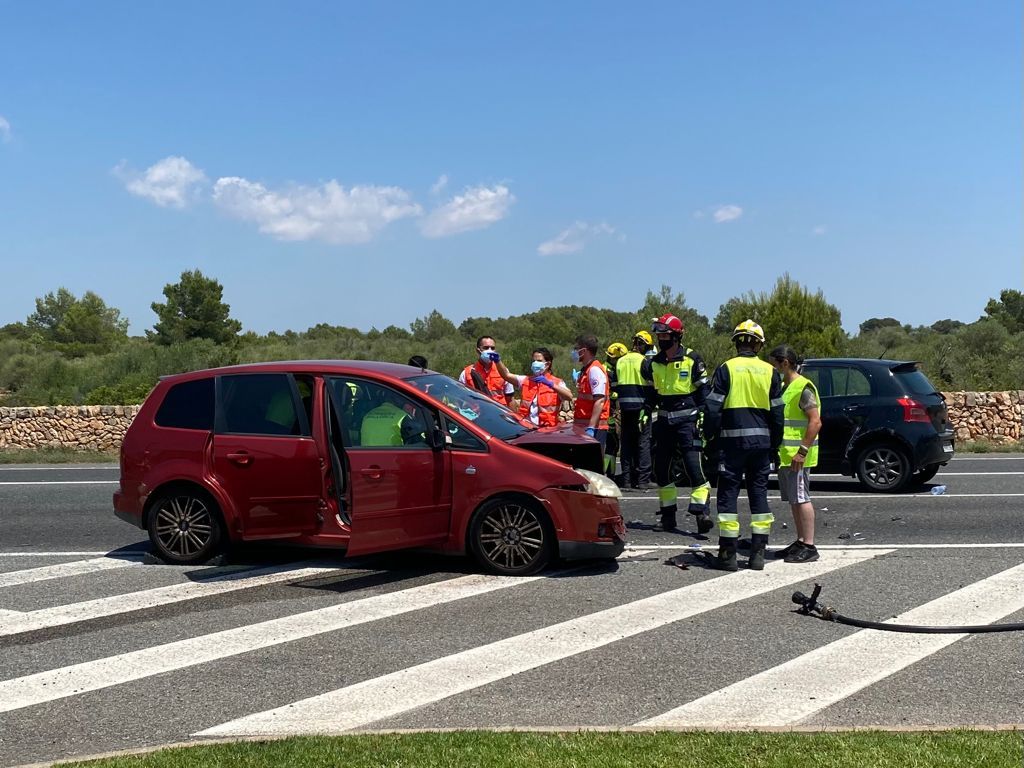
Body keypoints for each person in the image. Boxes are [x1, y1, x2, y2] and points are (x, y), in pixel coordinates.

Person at [703, 320, 784, 571]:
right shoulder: (770, 372)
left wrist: (710, 437)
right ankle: (758, 554)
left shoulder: (727, 368)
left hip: (731, 443)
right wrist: (775, 445)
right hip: (761, 444)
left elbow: (713, 408)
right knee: (759, 494)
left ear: (737, 342)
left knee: (728, 495)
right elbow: (778, 413)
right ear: (759, 344)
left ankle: (728, 554)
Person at [641, 313, 713, 533]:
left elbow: (704, 392)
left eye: (665, 334)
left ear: (676, 336)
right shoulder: (652, 363)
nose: (661, 338)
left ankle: (702, 514)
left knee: (694, 468)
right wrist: (645, 411)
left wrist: (703, 414)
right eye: (659, 335)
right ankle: (668, 518)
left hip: (688, 420)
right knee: (661, 470)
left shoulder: (693, 359)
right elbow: (650, 394)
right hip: (664, 421)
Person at [769, 344, 822, 563]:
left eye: (774, 363)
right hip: (786, 455)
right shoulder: (784, 386)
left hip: (798, 456)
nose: (772, 368)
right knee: (794, 499)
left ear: (785, 363)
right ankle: (800, 541)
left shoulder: (803, 387)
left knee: (801, 498)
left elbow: (815, 421)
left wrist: (802, 451)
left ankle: (809, 545)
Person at [615, 331, 655, 489]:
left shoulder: (620, 361)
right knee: (643, 443)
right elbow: (652, 385)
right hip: (641, 408)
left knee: (626, 443)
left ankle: (626, 479)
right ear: (644, 345)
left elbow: (615, 384)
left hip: (625, 408)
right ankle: (643, 480)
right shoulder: (644, 361)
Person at [496, 347, 573, 426]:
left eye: (539, 361)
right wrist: (498, 361)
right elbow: (506, 375)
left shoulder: (557, 382)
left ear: (547, 364)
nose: (535, 363)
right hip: (526, 426)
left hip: (547, 428)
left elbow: (569, 396)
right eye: (534, 361)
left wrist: (550, 384)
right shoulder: (526, 380)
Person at [571, 333, 610, 451]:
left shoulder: (594, 370)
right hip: (584, 426)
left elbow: (599, 400)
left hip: (594, 429)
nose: (575, 352)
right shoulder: (587, 370)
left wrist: (591, 428)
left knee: (591, 467)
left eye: (577, 349)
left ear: (584, 350)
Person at [459, 335, 514, 406]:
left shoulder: (503, 371)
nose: (490, 350)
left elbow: (510, 398)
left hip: (499, 413)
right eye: (486, 348)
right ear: (478, 350)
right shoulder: (467, 373)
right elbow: (461, 397)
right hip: (476, 413)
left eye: (492, 348)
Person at [604, 342, 629, 479]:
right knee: (612, 444)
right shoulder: (608, 371)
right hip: (609, 412)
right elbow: (607, 393)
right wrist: (618, 395)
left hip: (610, 411)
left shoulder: (609, 369)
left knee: (612, 445)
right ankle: (607, 474)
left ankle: (610, 473)